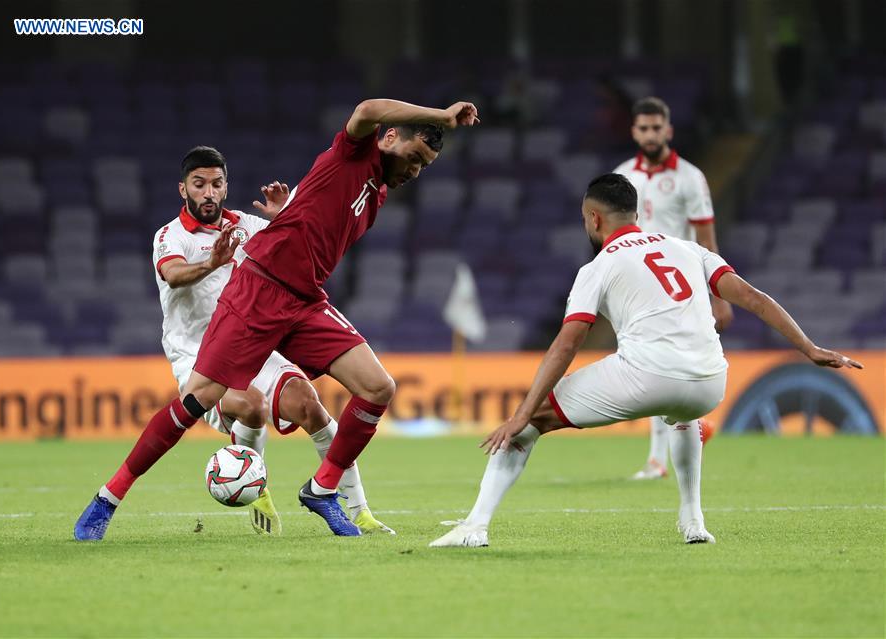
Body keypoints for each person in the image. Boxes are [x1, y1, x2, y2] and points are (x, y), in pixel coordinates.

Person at [74, 99, 479, 538]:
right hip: (258, 294)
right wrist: (442, 116)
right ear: (389, 137)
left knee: (378, 387)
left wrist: (286, 214)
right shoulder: (354, 153)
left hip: (304, 300)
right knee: (198, 401)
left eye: (425, 166)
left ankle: (324, 492)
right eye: (414, 158)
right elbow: (366, 109)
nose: (415, 171)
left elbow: (306, 220)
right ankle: (107, 499)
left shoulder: (375, 191)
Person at [430, 173, 861, 548]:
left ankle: (475, 525)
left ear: (594, 219)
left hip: (645, 377)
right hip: (710, 381)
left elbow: (566, 345)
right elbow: (752, 298)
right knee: (684, 416)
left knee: (530, 423)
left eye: (585, 219)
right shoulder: (687, 249)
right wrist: (808, 347)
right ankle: (693, 520)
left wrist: (521, 412)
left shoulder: (597, 267)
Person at [612, 96, 734, 480]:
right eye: (643, 128)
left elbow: (706, 238)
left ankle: (666, 453)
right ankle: (663, 454)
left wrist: (718, 294)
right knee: (646, 361)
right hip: (638, 287)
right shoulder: (621, 177)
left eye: (656, 127)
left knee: (666, 364)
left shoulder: (689, 177)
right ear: (634, 131)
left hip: (679, 285)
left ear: (668, 130)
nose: (650, 134)